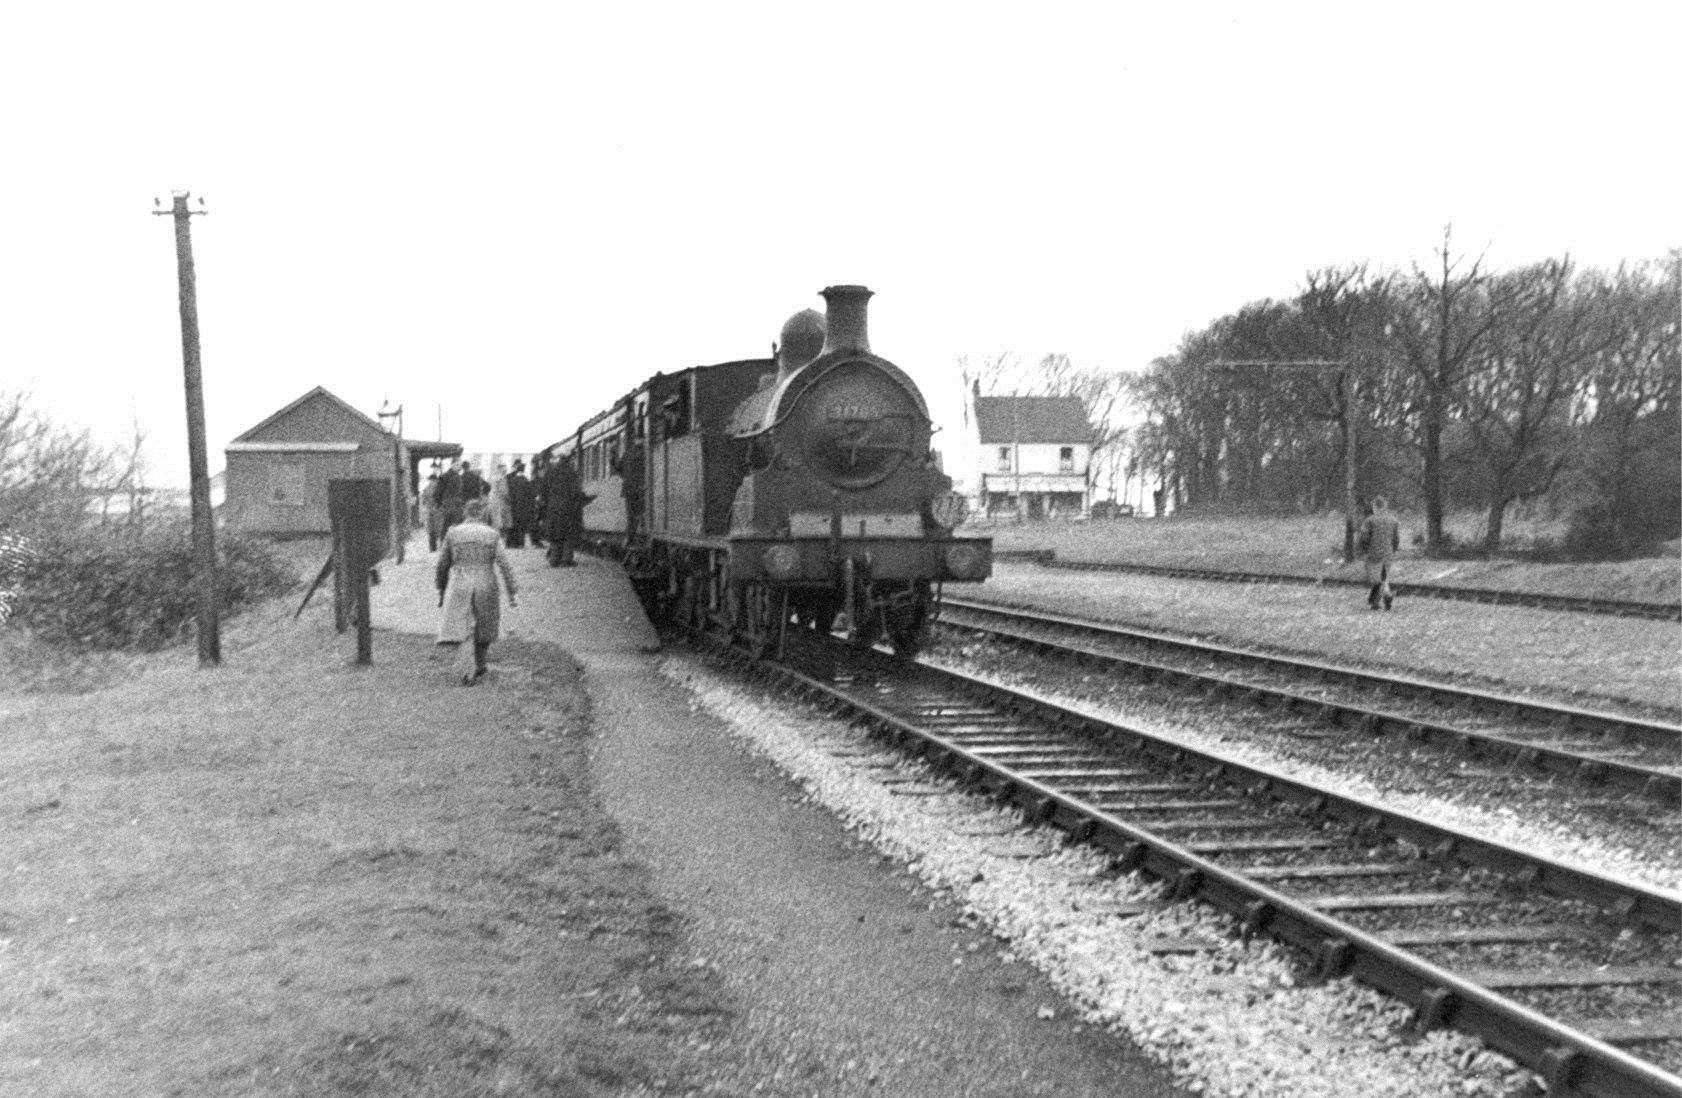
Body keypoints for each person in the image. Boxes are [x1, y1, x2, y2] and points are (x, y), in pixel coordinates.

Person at [435, 498, 518, 685]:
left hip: (460, 583)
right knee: (485, 624)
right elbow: (504, 564)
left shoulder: (453, 533)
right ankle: (479, 664)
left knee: (463, 627)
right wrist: (512, 591)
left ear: (465, 513)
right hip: (486, 582)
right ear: (482, 514)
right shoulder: (492, 534)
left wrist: (440, 587)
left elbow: (442, 564)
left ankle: (468, 670)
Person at [542, 455, 592, 567]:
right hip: (568, 508)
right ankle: (566, 560)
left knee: (555, 534)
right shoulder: (572, 473)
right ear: (568, 462)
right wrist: (586, 499)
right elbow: (576, 492)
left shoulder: (550, 473)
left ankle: (554, 560)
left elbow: (543, 491)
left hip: (553, 508)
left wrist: (548, 503)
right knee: (568, 534)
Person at [1357, 497, 1401, 611]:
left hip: (1373, 553)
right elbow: (1396, 539)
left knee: (1375, 578)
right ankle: (1385, 595)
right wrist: (1393, 550)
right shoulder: (1394, 520)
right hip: (1388, 553)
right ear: (1385, 506)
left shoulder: (1369, 520)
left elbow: (1364, 537)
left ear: (1374, 507)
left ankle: (1375, 600)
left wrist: (1363, 549)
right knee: (1384, 577)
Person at [506, 458, 536, 549]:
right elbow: (532, 494)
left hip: (514, 506)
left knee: (514, 524)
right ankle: (520, 543)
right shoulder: (526, 481)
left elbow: (509, 494)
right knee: (522, 526)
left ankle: (511, 543)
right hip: (524, 508)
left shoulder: (512, 480)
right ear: (523, 470)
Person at [436, 459, 466, 536]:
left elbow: (438, 493)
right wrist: (439, 504)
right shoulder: (445, 476)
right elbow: (438, 492)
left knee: (447, 526)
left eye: (460, 466)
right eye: (457, 465)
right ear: (452, 465)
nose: (460, 468)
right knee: (451, 526)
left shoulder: (457, 477)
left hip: (452, 505)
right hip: (450, 505)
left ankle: (445, 543)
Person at [420, 466, 445, 552]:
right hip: (438, 510)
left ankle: (432, 548)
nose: (432, 482)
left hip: (430, 511)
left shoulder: (427, 488)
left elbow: (423, 500)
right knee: (439, 529)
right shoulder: (440, 488)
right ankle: (440, 547)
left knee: (431, 530)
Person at [487, 462, 512, 543]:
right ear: (500, 469)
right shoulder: (501, 478)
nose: (506, 470)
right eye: (505, 468)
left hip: (492, 501)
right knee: (498, 523)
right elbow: (503, 492)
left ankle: (493, 540)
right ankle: (496, 542)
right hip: (499, 502)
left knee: (494, 522)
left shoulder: (493, 477)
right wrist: (509, 500)